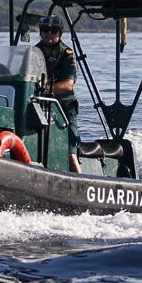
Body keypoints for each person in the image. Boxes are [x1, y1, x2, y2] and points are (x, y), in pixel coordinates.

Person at [35, 15, 82, 172]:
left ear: (60, 33)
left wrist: (43, 88)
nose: (49, 33)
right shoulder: (34, 52)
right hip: (39, 107)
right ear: (40, 32)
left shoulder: (66, 54)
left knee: (70, 153)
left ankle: (81, 184)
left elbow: (68, 85)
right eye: (45, 30)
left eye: (53, 30)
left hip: (64, 108)